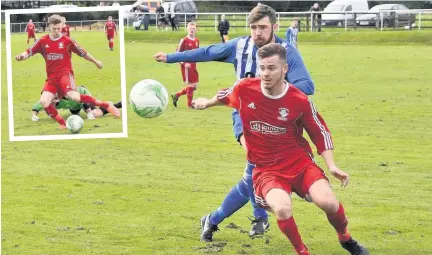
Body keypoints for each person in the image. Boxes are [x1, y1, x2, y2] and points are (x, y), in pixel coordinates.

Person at [154, 4, 314, 242]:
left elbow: (307, 86)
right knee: (257, 163)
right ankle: (256, 216)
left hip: (276, 122)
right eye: (253, 27)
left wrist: (275, 92)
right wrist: (170, 58)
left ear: (275, 27)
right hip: (244, 115)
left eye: (263, 27)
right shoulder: (239, 46)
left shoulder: (285, 51)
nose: (257, 32)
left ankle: (218, 218)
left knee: (253, 175)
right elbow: (208, 52)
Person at [191, 43, 369, 255]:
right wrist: (206, 103)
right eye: (262, 67)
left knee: (328, 202)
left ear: (284, 69)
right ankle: (302, 251)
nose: (265, 73)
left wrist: (332, 165)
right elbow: (224, 96)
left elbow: (319, 132)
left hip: (299, 163)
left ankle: (346, 238)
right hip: (266, 170)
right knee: (283, 208)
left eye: (272, 68)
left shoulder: (299, 100)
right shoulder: (245, 88)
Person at [15, 14, 120, 129]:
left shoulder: (67, 41)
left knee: (73, 97)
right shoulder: (42, 41)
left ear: (62, 27)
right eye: (54, 29)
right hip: (51, 79)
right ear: (49, 26)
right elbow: (29, 51)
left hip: (65, 75)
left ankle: (107, 105)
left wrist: (96, 62)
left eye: (59, 29)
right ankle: (63, 124)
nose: (56, 31)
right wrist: (21, 56)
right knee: (44, 101)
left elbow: (83, 53)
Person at [31, 85, 122, 121]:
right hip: (73, 105)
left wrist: (89, 113)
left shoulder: (69, 95)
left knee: (95, 113)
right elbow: (36, 107)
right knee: (75, 113)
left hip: (84, 95)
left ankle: (114, 105)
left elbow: (83, 99)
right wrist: (34, 116)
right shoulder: (47, 101)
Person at [172, 22, 199, 108]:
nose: (192, 30)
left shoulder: (197, 40)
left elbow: (198, 53)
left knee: (194, 86)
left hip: (194, 65)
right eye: (190, 28)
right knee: (190, 86)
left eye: (193, 28)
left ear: (196, 29)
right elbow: (177, 54)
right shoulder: (184, 40)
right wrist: (183, 63)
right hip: (186, 66)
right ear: (187, 29)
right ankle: (189, 106)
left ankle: (176, 95)